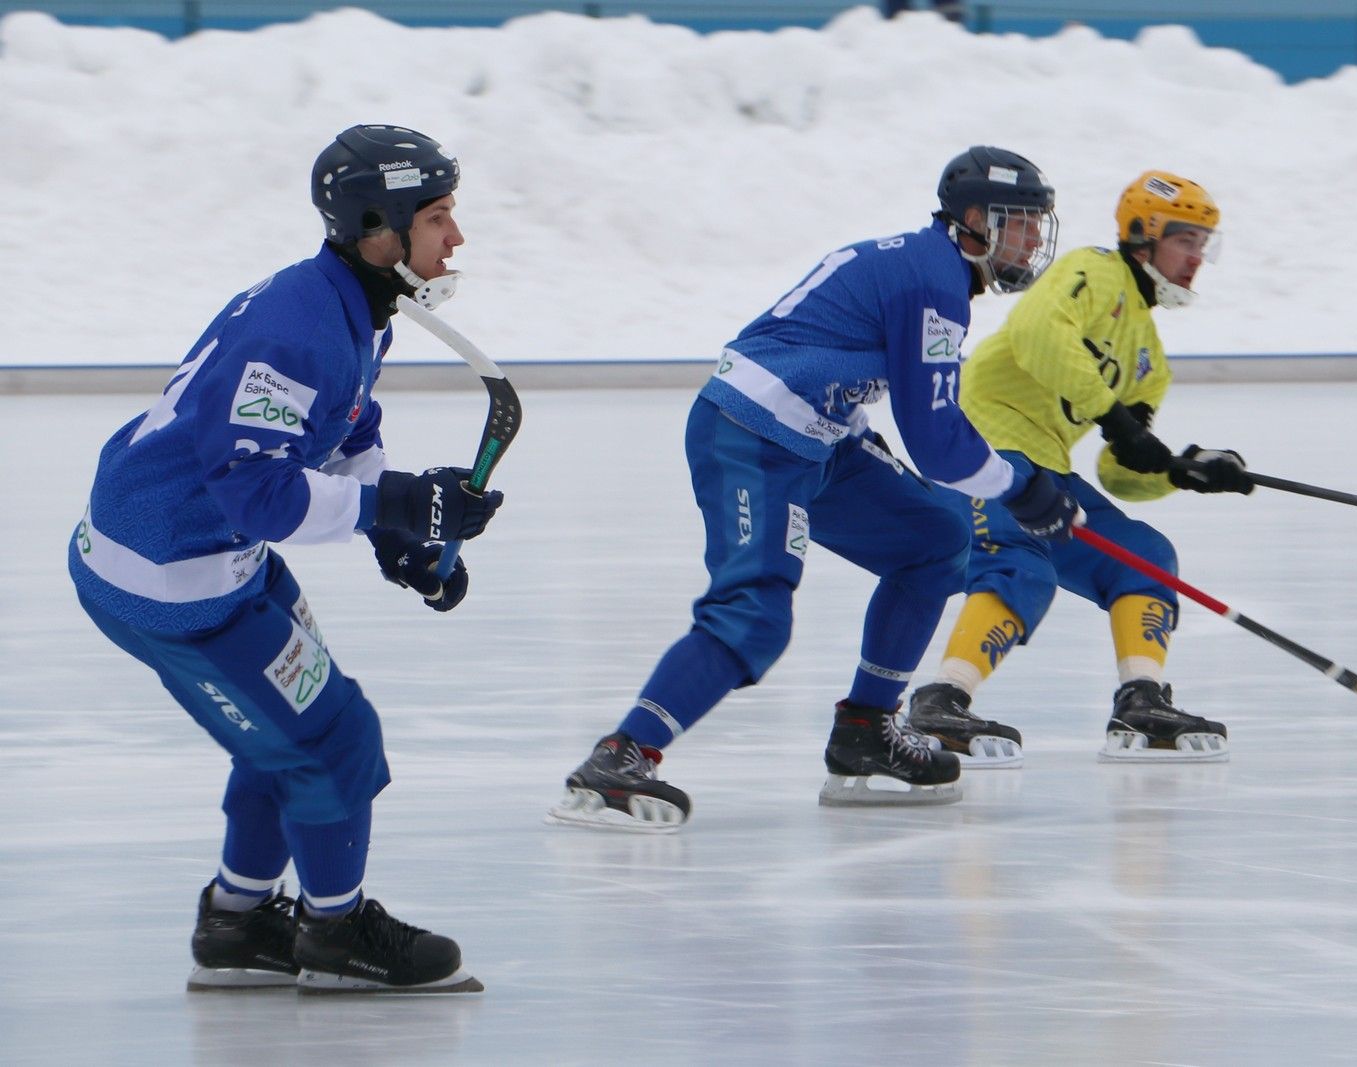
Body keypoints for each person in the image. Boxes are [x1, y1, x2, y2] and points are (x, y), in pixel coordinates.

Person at [68, 124, 503, 993]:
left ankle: (239, 922)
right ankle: (335, 935)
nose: (456, 238)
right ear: (380, 227)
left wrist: (396, 531)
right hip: (172, 582)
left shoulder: (349, 304)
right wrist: (398, 502)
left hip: (199, 558)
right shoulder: (297, 329)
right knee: (334, 738)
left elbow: (343, 427)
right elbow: (259, 495)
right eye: (439, 216)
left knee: (286, 733)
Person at [548, 146, 1078, 833]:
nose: (1034, 240)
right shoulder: (933, 280)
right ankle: (620, 756)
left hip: (818, 434)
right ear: (974, 220)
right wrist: (1022, 487)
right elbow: (938, 441)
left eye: (1039, 225)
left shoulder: (928, 265)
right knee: (755, 615)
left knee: (938, 537)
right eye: (1022, 223)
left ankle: (865, 730)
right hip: (752, 436)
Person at [905, 170, 1252, 767]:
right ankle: (941, 698)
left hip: (1046, 469)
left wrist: (1176, 470)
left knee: (1145, 556)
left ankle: (1140, 698)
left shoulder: (1151, 361)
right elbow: (1037, 332)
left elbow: (1119, 474)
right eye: (1186, 241)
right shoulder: (1092, 271)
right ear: (1144, 238)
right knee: (1019, 564)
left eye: (1204, 245)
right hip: (982, 451)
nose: (1197, 258)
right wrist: (1114, 418)